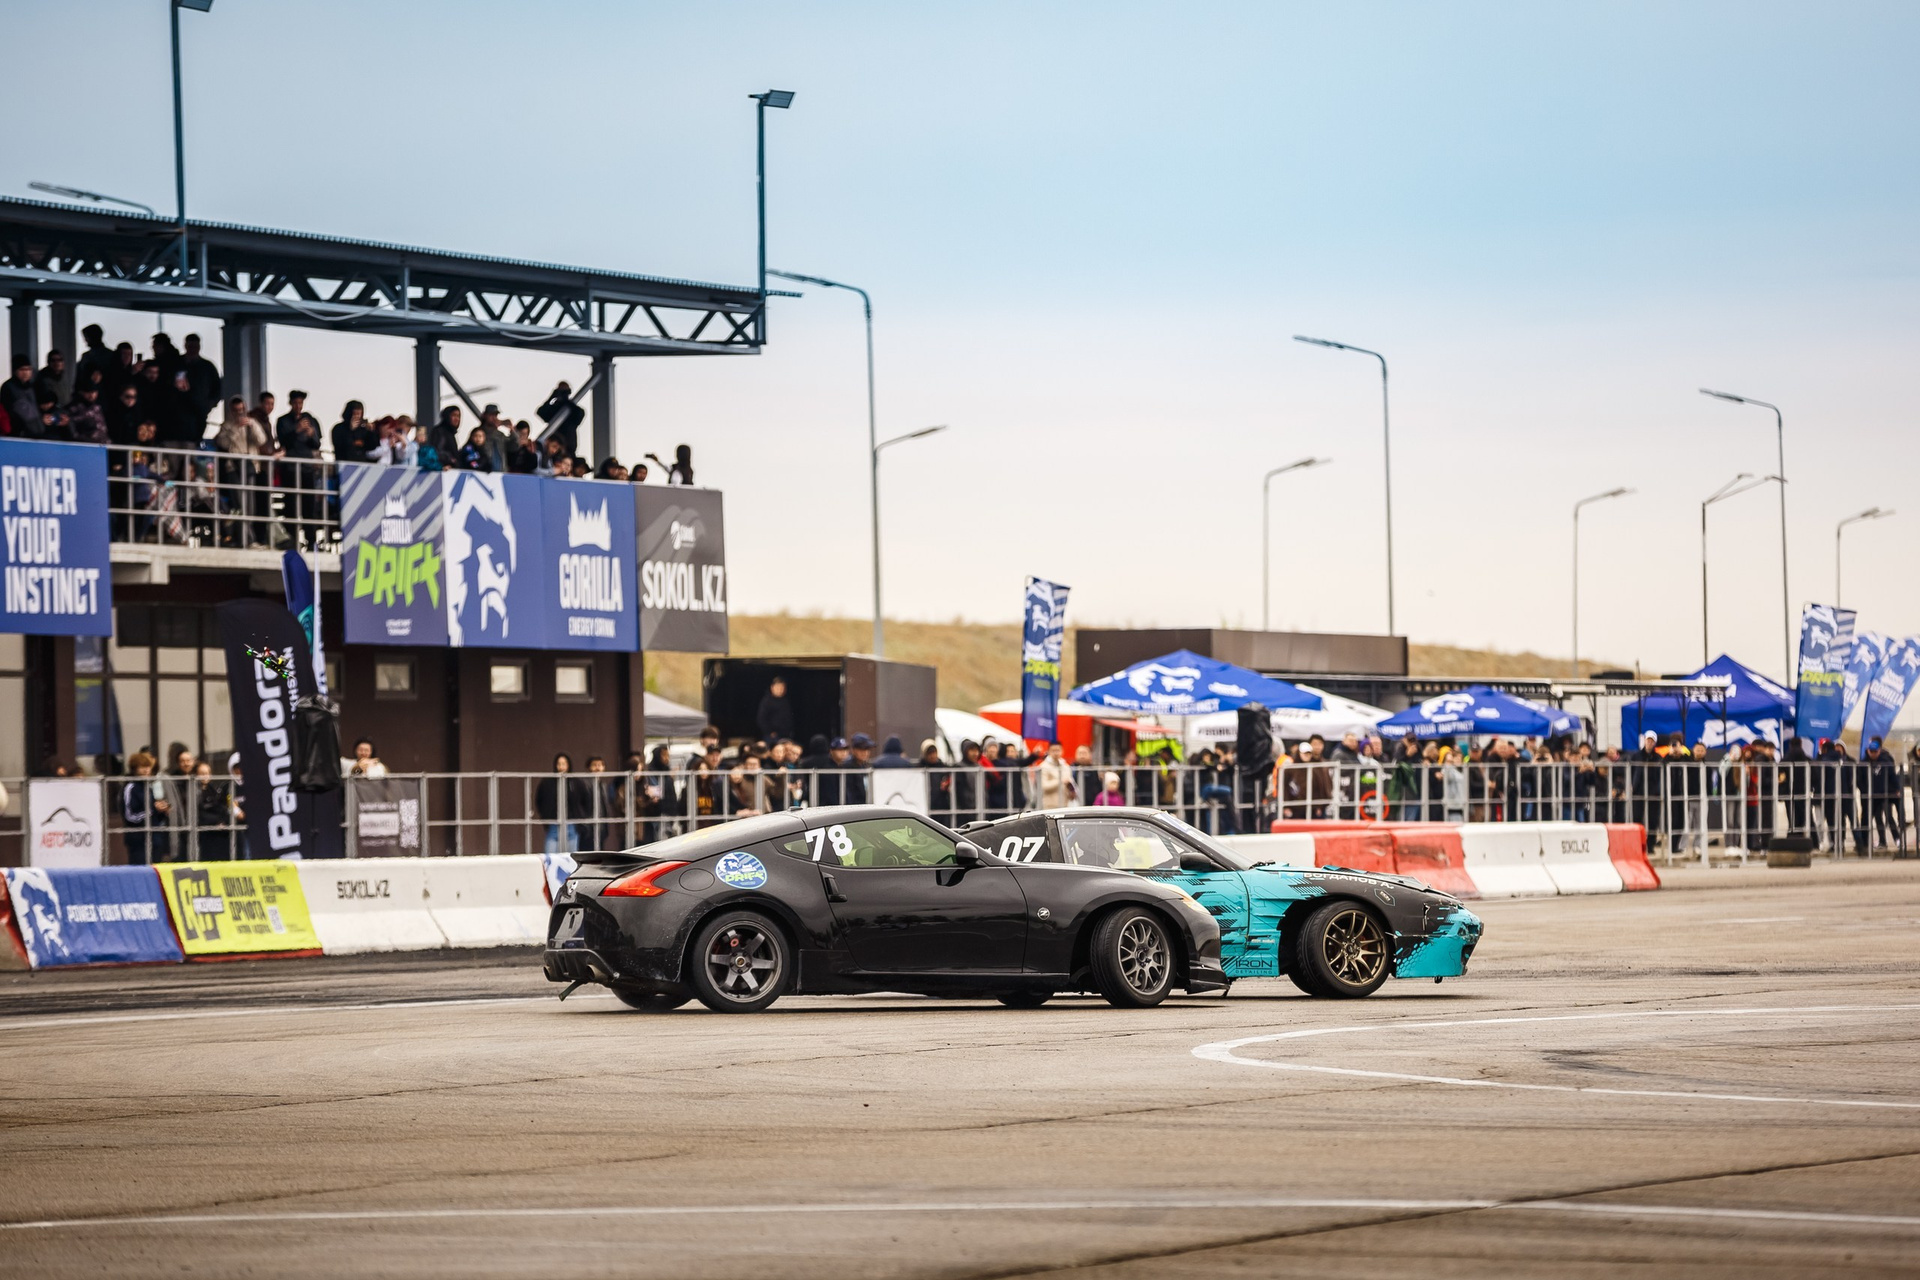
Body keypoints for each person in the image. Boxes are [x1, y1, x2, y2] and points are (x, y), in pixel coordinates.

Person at [215, 395, 275, 547]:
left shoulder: (252, 422)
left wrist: (251, 426)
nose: (239, 413)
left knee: (250, 506)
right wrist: (236, 429)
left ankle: (248, 538)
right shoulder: (226, 426)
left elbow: (262, 440)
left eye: (241, 410)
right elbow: (223, 443)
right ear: (231, 411)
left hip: (250, 466)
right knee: (239, 505)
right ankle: (246, 539)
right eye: (236, 411)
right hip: (233, 468)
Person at [275, 392, 324, 548]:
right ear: (291, 403)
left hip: (307, 469)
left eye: (300, 403)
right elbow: (284, 442)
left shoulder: (311, 419)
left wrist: (311, 434)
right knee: (290, 505)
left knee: (309, 506)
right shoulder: (283, 421)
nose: (298, 406)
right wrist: (296, 430)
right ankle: (292, 540)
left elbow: (317, 444)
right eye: (296, 403)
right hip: (290, 469)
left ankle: (311, 540)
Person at [535, 753, 590, 853]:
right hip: (554, 823)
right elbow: (539, 800)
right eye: (559, 764)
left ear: (568, 765)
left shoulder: (576, 782)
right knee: (550, 856)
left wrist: (580, 816)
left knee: (571, 857)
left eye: (564, 764)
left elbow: (586, 800)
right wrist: (545, 816)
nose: (561, 767)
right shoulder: (547, 782)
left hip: (572, 823)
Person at [121, 751, 169, 865]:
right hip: (139, 841)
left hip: (155, 839)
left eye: (148, 767)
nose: (147, 770)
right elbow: (130, 816)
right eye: (142, 767)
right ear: (134, 769)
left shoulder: (148, 787)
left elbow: (154, 814)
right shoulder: (130, 788)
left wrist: (162, 812)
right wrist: (153, 810)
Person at [179, 334, 220, 430]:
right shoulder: (177, 363)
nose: (193, 349)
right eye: (190, 346)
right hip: (178, 411)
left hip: (199, 411)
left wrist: (209, 405)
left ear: (199, 347)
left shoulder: (208, 366)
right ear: (185, 346)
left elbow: (217, 388)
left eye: (195, 347)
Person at [194, 760, 232, 860]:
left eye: (207, 773)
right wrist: (216, 822)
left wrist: (223, 821)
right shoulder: (194, 791)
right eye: (202, 773)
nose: (205, 776)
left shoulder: (215, 790)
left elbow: (222, 808)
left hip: (220, 832)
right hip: (205, 834)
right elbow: (199, 813)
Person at [537, 383, 584, 457]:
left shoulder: (572, 410)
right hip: (555, 449)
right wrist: (552, 397)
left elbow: (580, 414)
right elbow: (540, 412)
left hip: (569, 449)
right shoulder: (554, 409)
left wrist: (567, 401)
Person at [2, 355, 43, 437]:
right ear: (15, 371)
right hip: (18, 433)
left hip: (36, 431)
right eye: (22, 369)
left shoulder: (32, 387)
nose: (26, 372)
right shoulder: (8, 387)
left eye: (28, 369)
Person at [1031, 742, 1076, 809]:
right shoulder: (1043, 767)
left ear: (1062, 751)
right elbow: (1044, 786)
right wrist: (1060, 781)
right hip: (1049, 806)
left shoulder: (1066, 766)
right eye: (1053, 750)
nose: (1056, 753)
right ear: (1048, 751)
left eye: (1058, 750)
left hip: (1065, 805)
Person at [331, 399, 377, 464]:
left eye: (359, 414)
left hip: (361, 463)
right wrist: (351, 430)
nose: (357, 417)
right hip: (344, 463)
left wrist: (371, 432)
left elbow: (372, 446)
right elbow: (340, 446)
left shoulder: (363, 429)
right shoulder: (338, 428)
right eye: (355, 414)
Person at [755, 677, 796, 744]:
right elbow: (761, 719)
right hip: (773, 736)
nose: (780, 690)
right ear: (772, 688)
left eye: (782, 688)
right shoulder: (767, 701)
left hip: (786, 735)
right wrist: (770, 732)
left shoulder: (786, 701)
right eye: (778, 688)